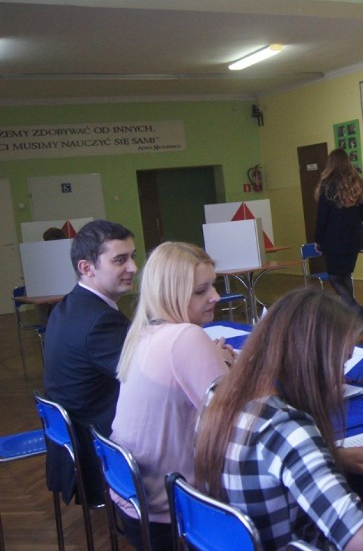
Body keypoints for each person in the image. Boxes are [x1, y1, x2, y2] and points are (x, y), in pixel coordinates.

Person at [194, 288, 363, 550]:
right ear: (309, 360)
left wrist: (334, 457)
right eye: (340, 363)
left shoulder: (219, 393)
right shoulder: (286, 427)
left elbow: (256, 464)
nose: (342, 378)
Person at [110, 242, 233, 550]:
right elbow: (240, 419)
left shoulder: (144, 333)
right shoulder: (185, 337)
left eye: (213, 286)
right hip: (176, 512)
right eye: (201, 291)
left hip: (136, 501)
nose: (215, 297)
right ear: (171, 294)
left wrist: (215, 360)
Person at [43, 219, 136, 506]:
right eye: (120, 260)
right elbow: (147, 376)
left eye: (133, 256)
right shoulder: (99, 320)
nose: (133, 267)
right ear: (87, 268)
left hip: (76, 438)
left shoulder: (69, 306)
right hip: (99, 450)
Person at [314, 147, 363, 317]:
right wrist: (351, 218)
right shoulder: (358, 183)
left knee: (334, 277)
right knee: (345, 274)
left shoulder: (327, 186)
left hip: (333, 240)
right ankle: (351, 312)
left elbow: (322, 217)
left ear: (330, 164)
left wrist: (318, 239)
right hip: (354, 238)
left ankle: (354, 308)